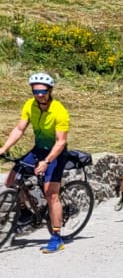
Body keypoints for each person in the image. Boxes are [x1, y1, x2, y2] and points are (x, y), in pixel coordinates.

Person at [0, 72, 70, 254]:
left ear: (50, 90)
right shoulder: (30, 105)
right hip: (38, 149)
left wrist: (47, 161)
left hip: (56, 152)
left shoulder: (59, 110)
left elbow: (61, 141)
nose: (39, 94)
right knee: (11, 180)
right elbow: (19, 128)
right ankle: (25, 212)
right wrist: (3, 148)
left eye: (43, 91)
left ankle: (57, 237)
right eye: (35, 91)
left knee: (50, 193)